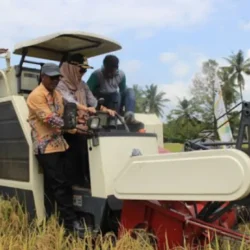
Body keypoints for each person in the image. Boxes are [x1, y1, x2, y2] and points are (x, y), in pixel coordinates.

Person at [26, 63, 87, 237]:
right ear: (42, 76)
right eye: (51, 77)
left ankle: (58, 218)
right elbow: (51, 119)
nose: (55, 80)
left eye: (57, 77)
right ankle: (70, 222)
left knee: (66, 180)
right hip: (46, 147)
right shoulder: (36, 96)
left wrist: (80, 124)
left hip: (60, 143)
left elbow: (65, 113)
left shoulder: (57, 94)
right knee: (60, 185)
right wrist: (75, 127)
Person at [56, 53, 115, 188]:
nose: (83, 73)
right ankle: (78, 184)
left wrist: (106, 110)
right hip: (67, 128)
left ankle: (98, 180)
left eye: (85, 70)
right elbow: (69, 102)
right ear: (71, 68)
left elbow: (94, 102)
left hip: (84, 125)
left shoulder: (82, 85)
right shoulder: (60, 85)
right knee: (81, 144)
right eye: (81, 69)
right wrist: (87, 109)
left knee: (102, 137)